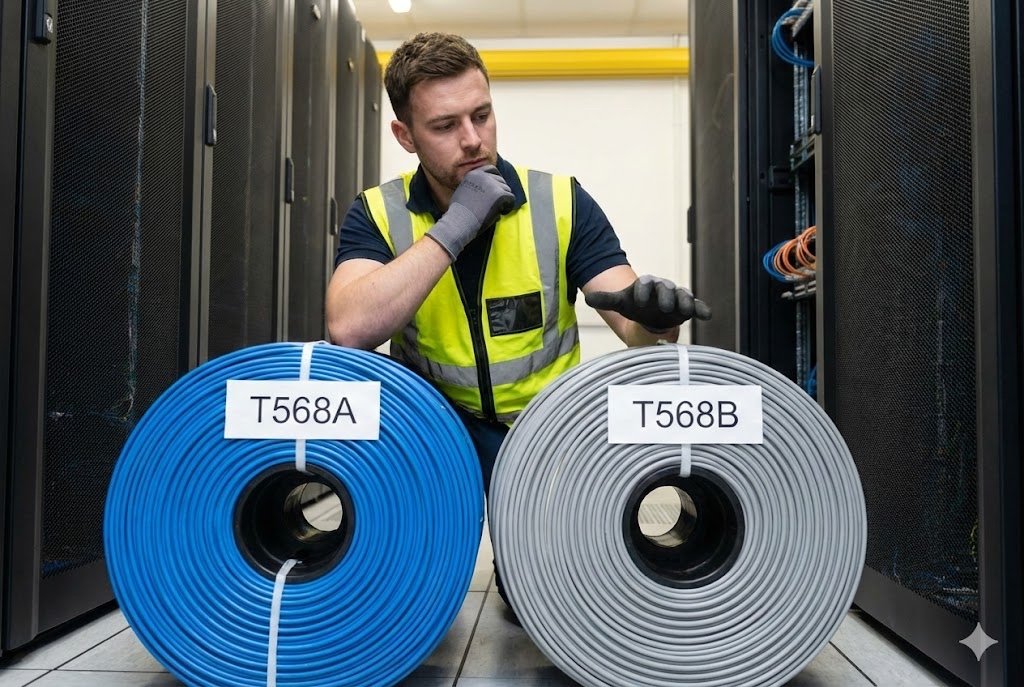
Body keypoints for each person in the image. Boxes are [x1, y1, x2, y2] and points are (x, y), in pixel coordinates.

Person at [325, 32, 710, 609]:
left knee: (539, 603)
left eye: (482, 115)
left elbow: (627, 315)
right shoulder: (377, 212)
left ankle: (523, 561)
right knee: (404, 598)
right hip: (435, 436)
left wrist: (654, 317)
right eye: (445, 125)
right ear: (405, 136)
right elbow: (350, 327)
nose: (473, 139)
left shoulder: (559, 200)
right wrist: (456, 225)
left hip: (541, 438)